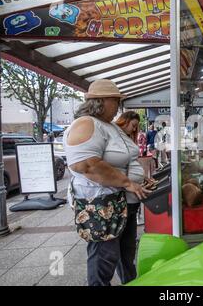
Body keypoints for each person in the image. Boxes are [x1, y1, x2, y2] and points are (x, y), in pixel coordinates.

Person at [63, 79, 150, 286]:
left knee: (124, 253)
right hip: (101, 203)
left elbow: (127, 157)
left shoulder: (110, 125)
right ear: (100, 101)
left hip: (122, 202)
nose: (118, 106)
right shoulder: (86, 123)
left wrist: (138, 177)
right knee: (104, 256)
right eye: (115, 101)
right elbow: (86, 165)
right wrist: (128, 182)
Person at [114, 111, 148, 284]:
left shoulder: (125, 137)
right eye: (133, 125)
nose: (135, 129)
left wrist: (142, 178)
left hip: (132, 198)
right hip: (126, 198)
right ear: (124, 121)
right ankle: (128, 278)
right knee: (125, 244)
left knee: (129, 243)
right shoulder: (115, 136)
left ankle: (129, 277)